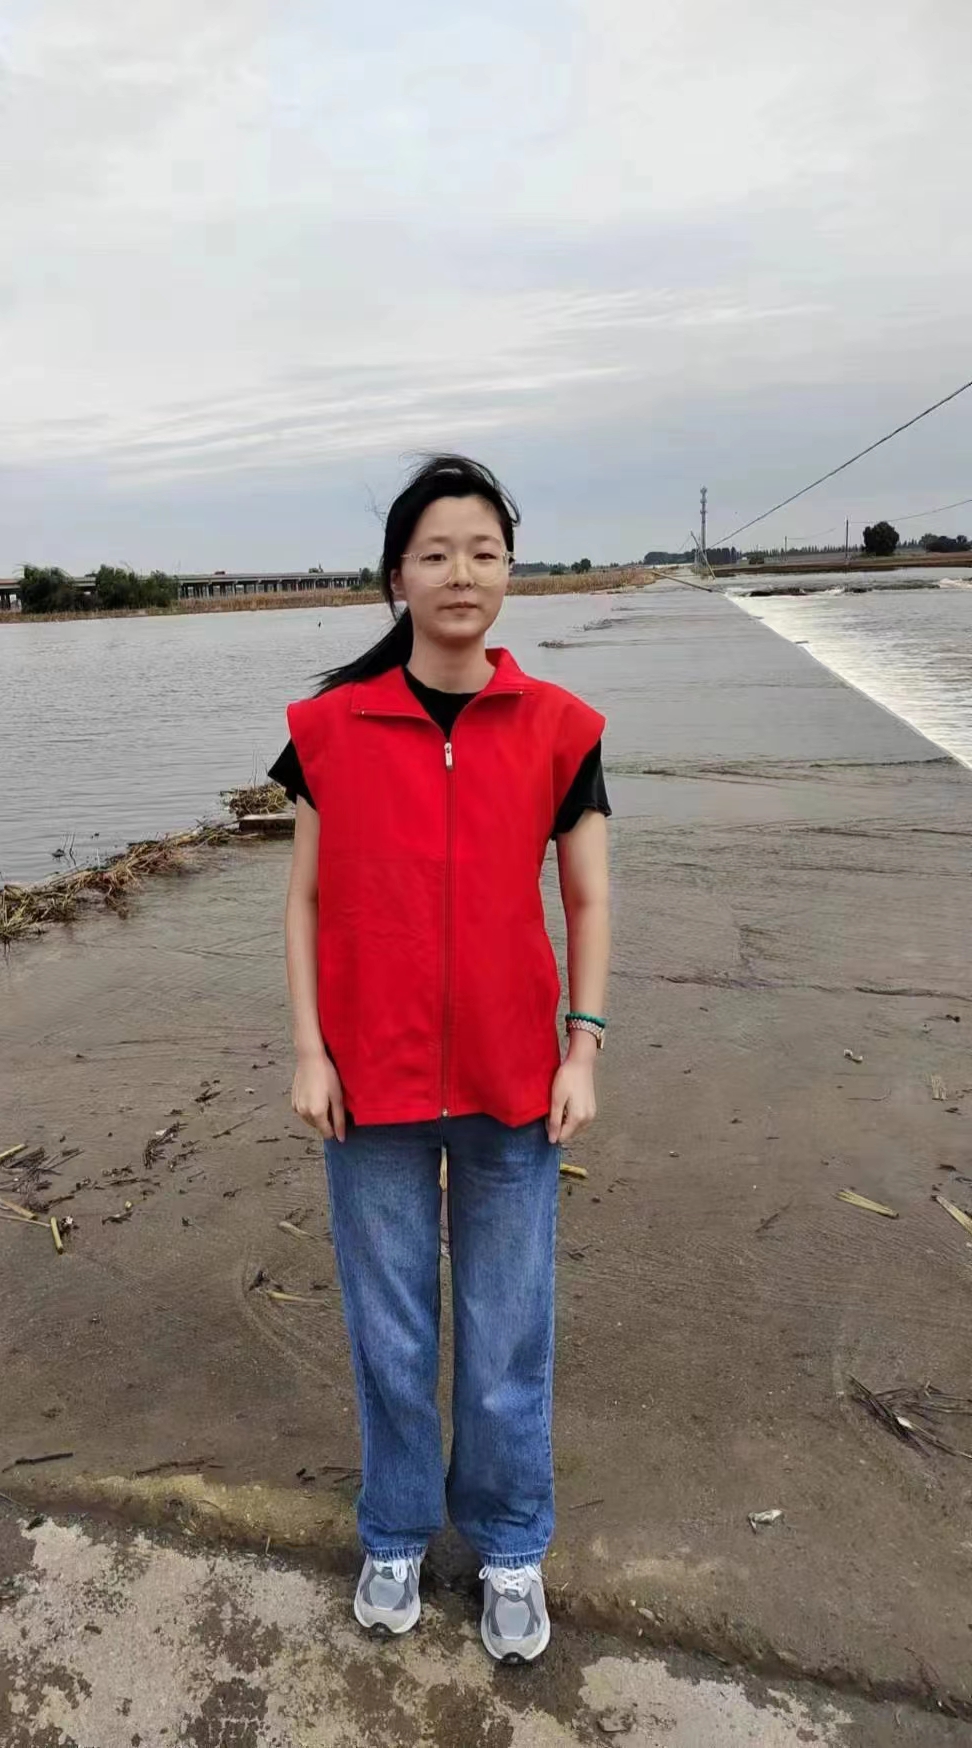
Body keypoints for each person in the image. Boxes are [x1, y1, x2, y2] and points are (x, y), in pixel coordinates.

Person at [268, 454, 611, 1665]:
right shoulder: (326, 731)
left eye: (482, 551)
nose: (460, 572)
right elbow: (304, 901)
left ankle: (510, 1542)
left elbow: (587, 897)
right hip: (370, 1082)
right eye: (434, 553)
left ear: (508, 570)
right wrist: (308, 1049)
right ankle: (396, 1529)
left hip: (515, 1081)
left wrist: (582, 1046)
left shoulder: (560, 728)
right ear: (396, 577)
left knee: (507, 1328)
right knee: (392, 1331)